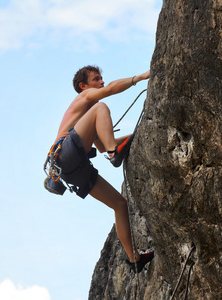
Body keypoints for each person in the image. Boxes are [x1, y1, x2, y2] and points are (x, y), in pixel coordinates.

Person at [45, 65, 154, 273]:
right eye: (97, 79)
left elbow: (103, 146)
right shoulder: (84, 99)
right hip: (65, 153)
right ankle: (117, 153)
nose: (102, 82)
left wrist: (136, 136)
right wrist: (141, 77)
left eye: (102, 79)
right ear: (83, 85)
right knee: (101, 106)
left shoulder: (87, 121)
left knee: (120, 204)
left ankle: (134, 259)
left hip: (73, 168)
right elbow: (111, 90)